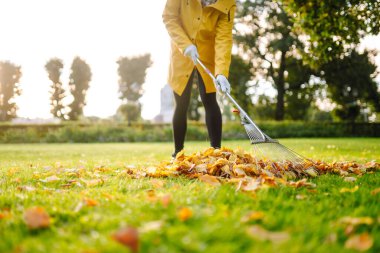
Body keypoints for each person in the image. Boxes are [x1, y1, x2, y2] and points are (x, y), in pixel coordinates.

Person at [163, 0, 236, 158]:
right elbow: (169, 17)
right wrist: (185, 45)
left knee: (209, 98)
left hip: (207, 53)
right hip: (182, 50)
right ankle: (178, 153)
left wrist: (222, 73)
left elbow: (224, 38)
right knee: (181, 101)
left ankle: (216, 152)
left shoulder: (228, 3)